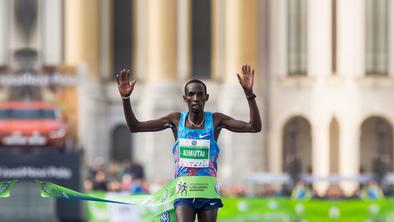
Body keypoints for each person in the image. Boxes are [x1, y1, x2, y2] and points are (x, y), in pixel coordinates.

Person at [117, 64, 262, 222]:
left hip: (208, 192)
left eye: (200, 94)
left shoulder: (215, 120)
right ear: (185, 98)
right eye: (191, 94)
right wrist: (125, 98)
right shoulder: (175, 120)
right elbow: (135, 126)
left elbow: (254, 127)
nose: (195, 98)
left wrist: (249, 95)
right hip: (184, 192)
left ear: (206, 97)